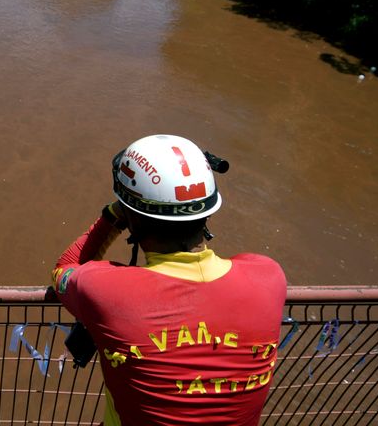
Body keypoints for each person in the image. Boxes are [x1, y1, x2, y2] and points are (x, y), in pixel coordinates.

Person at [52, 134, 286, 426]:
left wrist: (114, 215)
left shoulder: (107, 291)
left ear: (132, 217)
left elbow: (66, 267)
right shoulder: (268, 278)